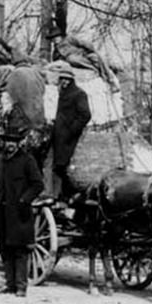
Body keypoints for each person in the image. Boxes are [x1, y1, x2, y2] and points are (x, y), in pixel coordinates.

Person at [0, 129, 45, 297]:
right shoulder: (0, 160)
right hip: (1, 211)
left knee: (20, 250)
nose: (10, 145)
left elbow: (38, 184)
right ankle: (9, 284)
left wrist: (24, 200)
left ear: (18, 143)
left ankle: (21, 286)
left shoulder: (27, 160)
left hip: (19, 212)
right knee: (4, 248)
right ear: (4, 143)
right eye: (7, 141)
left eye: (13, 142)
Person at [51, 61, 91, 204]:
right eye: (62, 79)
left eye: (67, 79)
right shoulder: (62, 93)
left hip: (69, 137)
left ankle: (71, 195)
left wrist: (71, 131)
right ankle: (63, 195)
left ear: (72, 80)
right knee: (57, 166)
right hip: (59, 136)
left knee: (63, 167)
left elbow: (85, 115)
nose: (64, 82)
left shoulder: (79, 94)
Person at [46, 27, 119, 91]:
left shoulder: (69, 39)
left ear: (60, 36)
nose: (55, 40)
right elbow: (57, 62)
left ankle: (110, 79)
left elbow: (84, 43)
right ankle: (94, 68)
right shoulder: (56, 52)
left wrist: (91, 51)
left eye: (56, 37)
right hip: (76, 62)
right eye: (52, 39)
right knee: (71, 59)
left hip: (85, 55)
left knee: (97, 59)